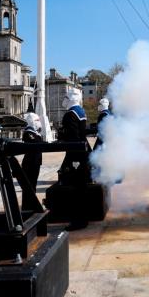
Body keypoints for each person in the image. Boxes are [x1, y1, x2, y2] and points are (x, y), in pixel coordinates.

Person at [57, 92, 92, 230]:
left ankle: (79, 221)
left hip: (76, 155)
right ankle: (83, 218)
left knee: (77, 188)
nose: (64, 100)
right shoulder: (81, 112)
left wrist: (62, 136)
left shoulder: (70, 114)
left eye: (65, 98)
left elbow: (72, 137)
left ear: (71, 99)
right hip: (83, 152)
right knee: (81, 187)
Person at [20, 103, 44, 212]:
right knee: (28, 186)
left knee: (33, 185)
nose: (39, 123)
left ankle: (31, 205)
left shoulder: (35, 132)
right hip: (30, 163)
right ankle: (27, 206)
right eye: (37, 121)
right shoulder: (29, 133)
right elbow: (34, 143)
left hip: (36, 162)